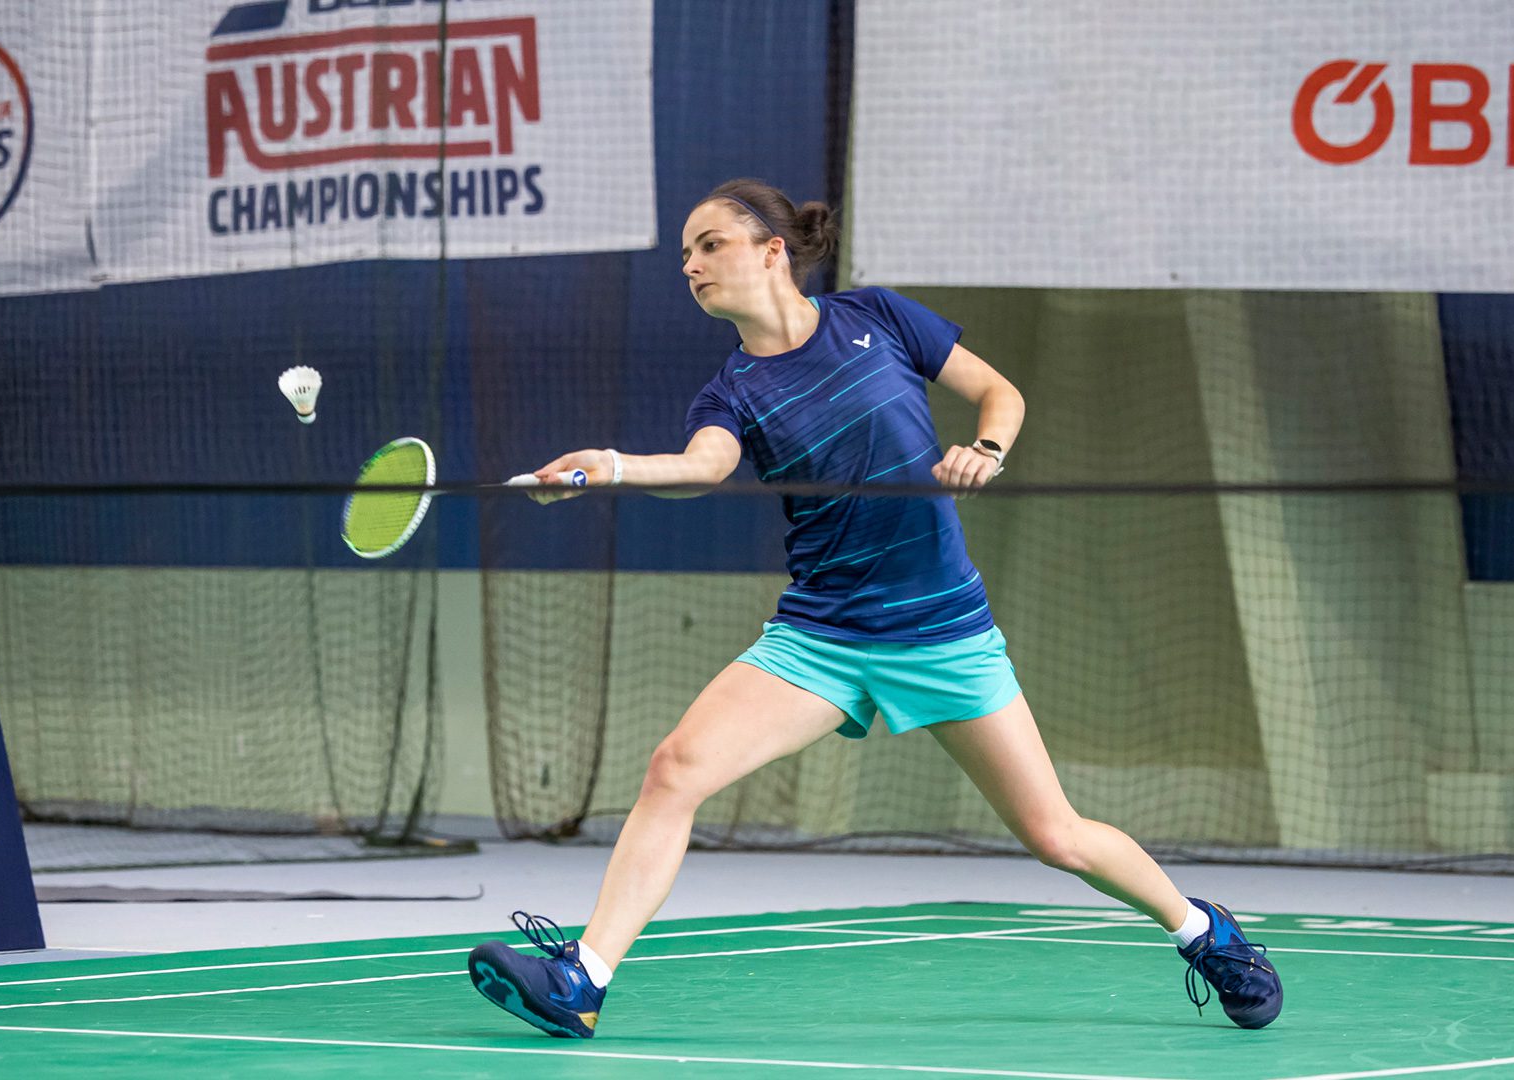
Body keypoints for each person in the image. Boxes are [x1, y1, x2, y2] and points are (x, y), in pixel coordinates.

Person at [467, 179, 1282, 1038]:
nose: (692, 266)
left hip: (942, 631)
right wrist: (610, 465)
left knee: (1056, 835)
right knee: (675, 769)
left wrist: (988, 452)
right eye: (684, 257)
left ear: (772, 250)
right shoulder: (732, 392)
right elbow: (704, 467)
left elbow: (1000, 394)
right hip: (822, 637)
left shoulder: (879, 319)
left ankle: (1205, 933)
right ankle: (583, 981)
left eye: (709, 244)